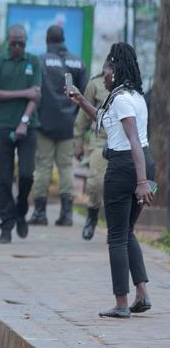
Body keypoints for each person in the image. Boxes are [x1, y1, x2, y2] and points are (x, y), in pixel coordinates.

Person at [67, 43, 155, 318]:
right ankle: (141, 294)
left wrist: (141, 182)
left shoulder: (121, 99)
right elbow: (105, 121)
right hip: (142, 164)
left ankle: (121, 303)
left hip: (126, 166)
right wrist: (81, 100)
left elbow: (133, 141)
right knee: (126, 231)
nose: (103, 74)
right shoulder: (132, 96)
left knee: (116, 236)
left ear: (115, 70)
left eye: (106, 68)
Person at [0, 25, 41, 244]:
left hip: (28, 127)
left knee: (27, 175)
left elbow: (35, 96)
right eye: (13, 43)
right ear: (7, 41)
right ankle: (6, 226)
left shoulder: (33, 61)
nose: (17, 47)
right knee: (4, 178)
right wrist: (22, 93)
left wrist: (24, 122)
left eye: (21, 43)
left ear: (26, 42)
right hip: (2, 126)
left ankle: (21, 210)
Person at [29, 25, 87, 227]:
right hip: (69, 126)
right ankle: (67, 214)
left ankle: (39, 213)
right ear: (63, 39)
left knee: (43, 167)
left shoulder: (40, 61)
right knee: (66, 168)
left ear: (47, 40)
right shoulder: (78, 62)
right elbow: (84, 97)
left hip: (44, 125)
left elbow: (34, 93)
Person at [74, 74, 109, 240]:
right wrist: (78, 143)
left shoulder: (130, 83)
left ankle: (117, 228)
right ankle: (92, 215)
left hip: (125, 142)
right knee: (96, 182)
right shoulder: (95, 84)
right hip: (101, 141)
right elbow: (83, 117)